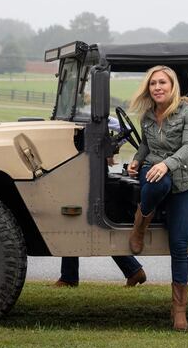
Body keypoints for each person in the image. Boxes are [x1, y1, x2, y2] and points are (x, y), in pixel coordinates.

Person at [127, 65, 188, 331]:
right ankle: (141, 223)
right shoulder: (148, 116)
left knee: (179, 245)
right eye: (153, 83)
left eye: (162, 82)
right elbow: (146, 145)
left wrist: (167, 164)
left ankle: (179, 309)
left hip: (184, 179)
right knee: (158, 181)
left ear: (173, 86)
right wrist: (137, 160)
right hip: (153, 173)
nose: (157, 87)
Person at [53, 113, 147, 288]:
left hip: (92, 174)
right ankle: (133, 270)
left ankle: (69, 277)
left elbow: (123, 129)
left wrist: (109, 149)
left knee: (77, 223)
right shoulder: (82, 117)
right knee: (81, 223)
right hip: (88, 170)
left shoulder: (97, 117)